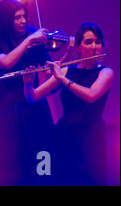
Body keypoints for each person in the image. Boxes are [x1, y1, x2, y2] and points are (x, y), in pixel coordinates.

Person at [0, 0, 54, 185]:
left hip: (31, 104)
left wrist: (61, 63)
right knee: (5, 159)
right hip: (1, 109)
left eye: (24, 16)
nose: (24, 21)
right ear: (7, 21)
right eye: (18, 18)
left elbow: (49, 70)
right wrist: (28, 40)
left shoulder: (34, 42)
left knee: (38, 155)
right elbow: (6, 62)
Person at [23, 23, 113, 185]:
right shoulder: (66, 70)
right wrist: (28, 84)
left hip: (91, 137)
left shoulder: (105, 72)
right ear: (78, 47)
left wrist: (62, 79)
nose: (94, 47)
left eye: (97, 42)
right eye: (88, 42)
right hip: (65, 135)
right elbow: (33, 97)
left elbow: (91, 95)